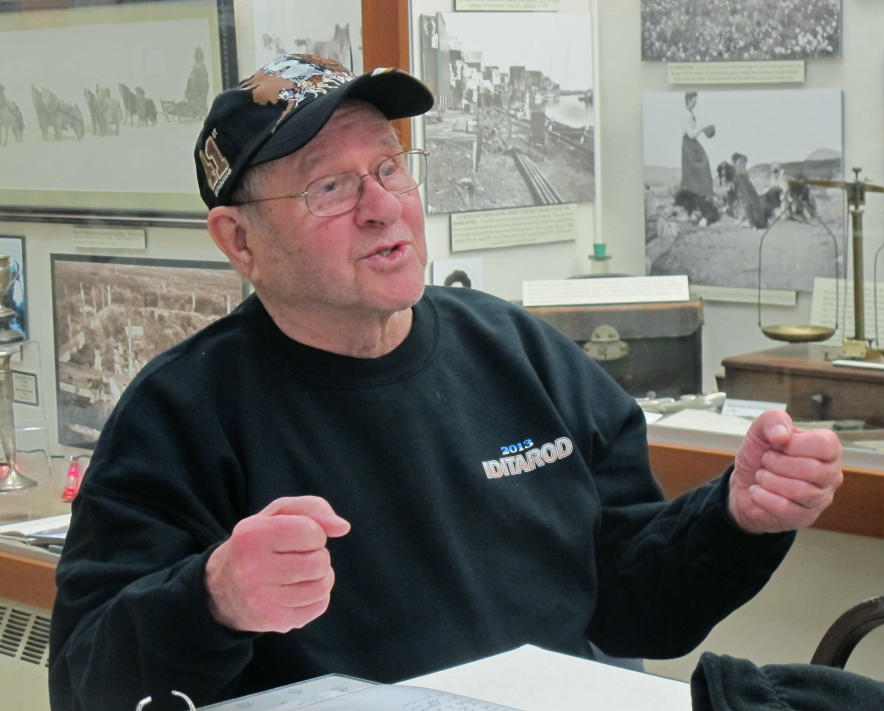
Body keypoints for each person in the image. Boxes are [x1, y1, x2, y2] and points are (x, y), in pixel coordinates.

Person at [48, 54, 843, 711]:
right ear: (239, 240)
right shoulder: (178, 415)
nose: (382, 207)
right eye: (330, 186)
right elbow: (84, 686)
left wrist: (735, 517)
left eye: (389, 166)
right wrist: (211, 598)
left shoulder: (521, 353)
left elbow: (636, 602)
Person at [680, 90, 716, 200]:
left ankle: (704, 193)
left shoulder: (690, 113)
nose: (695, 103)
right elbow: (691, 134)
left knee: (703, 164)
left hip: (692, 144)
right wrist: (702, 127)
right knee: (697, 167)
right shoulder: (685, 114)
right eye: (694, 101)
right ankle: (697, 194)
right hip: (689, 144)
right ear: (689, 100)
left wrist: (703, 128)